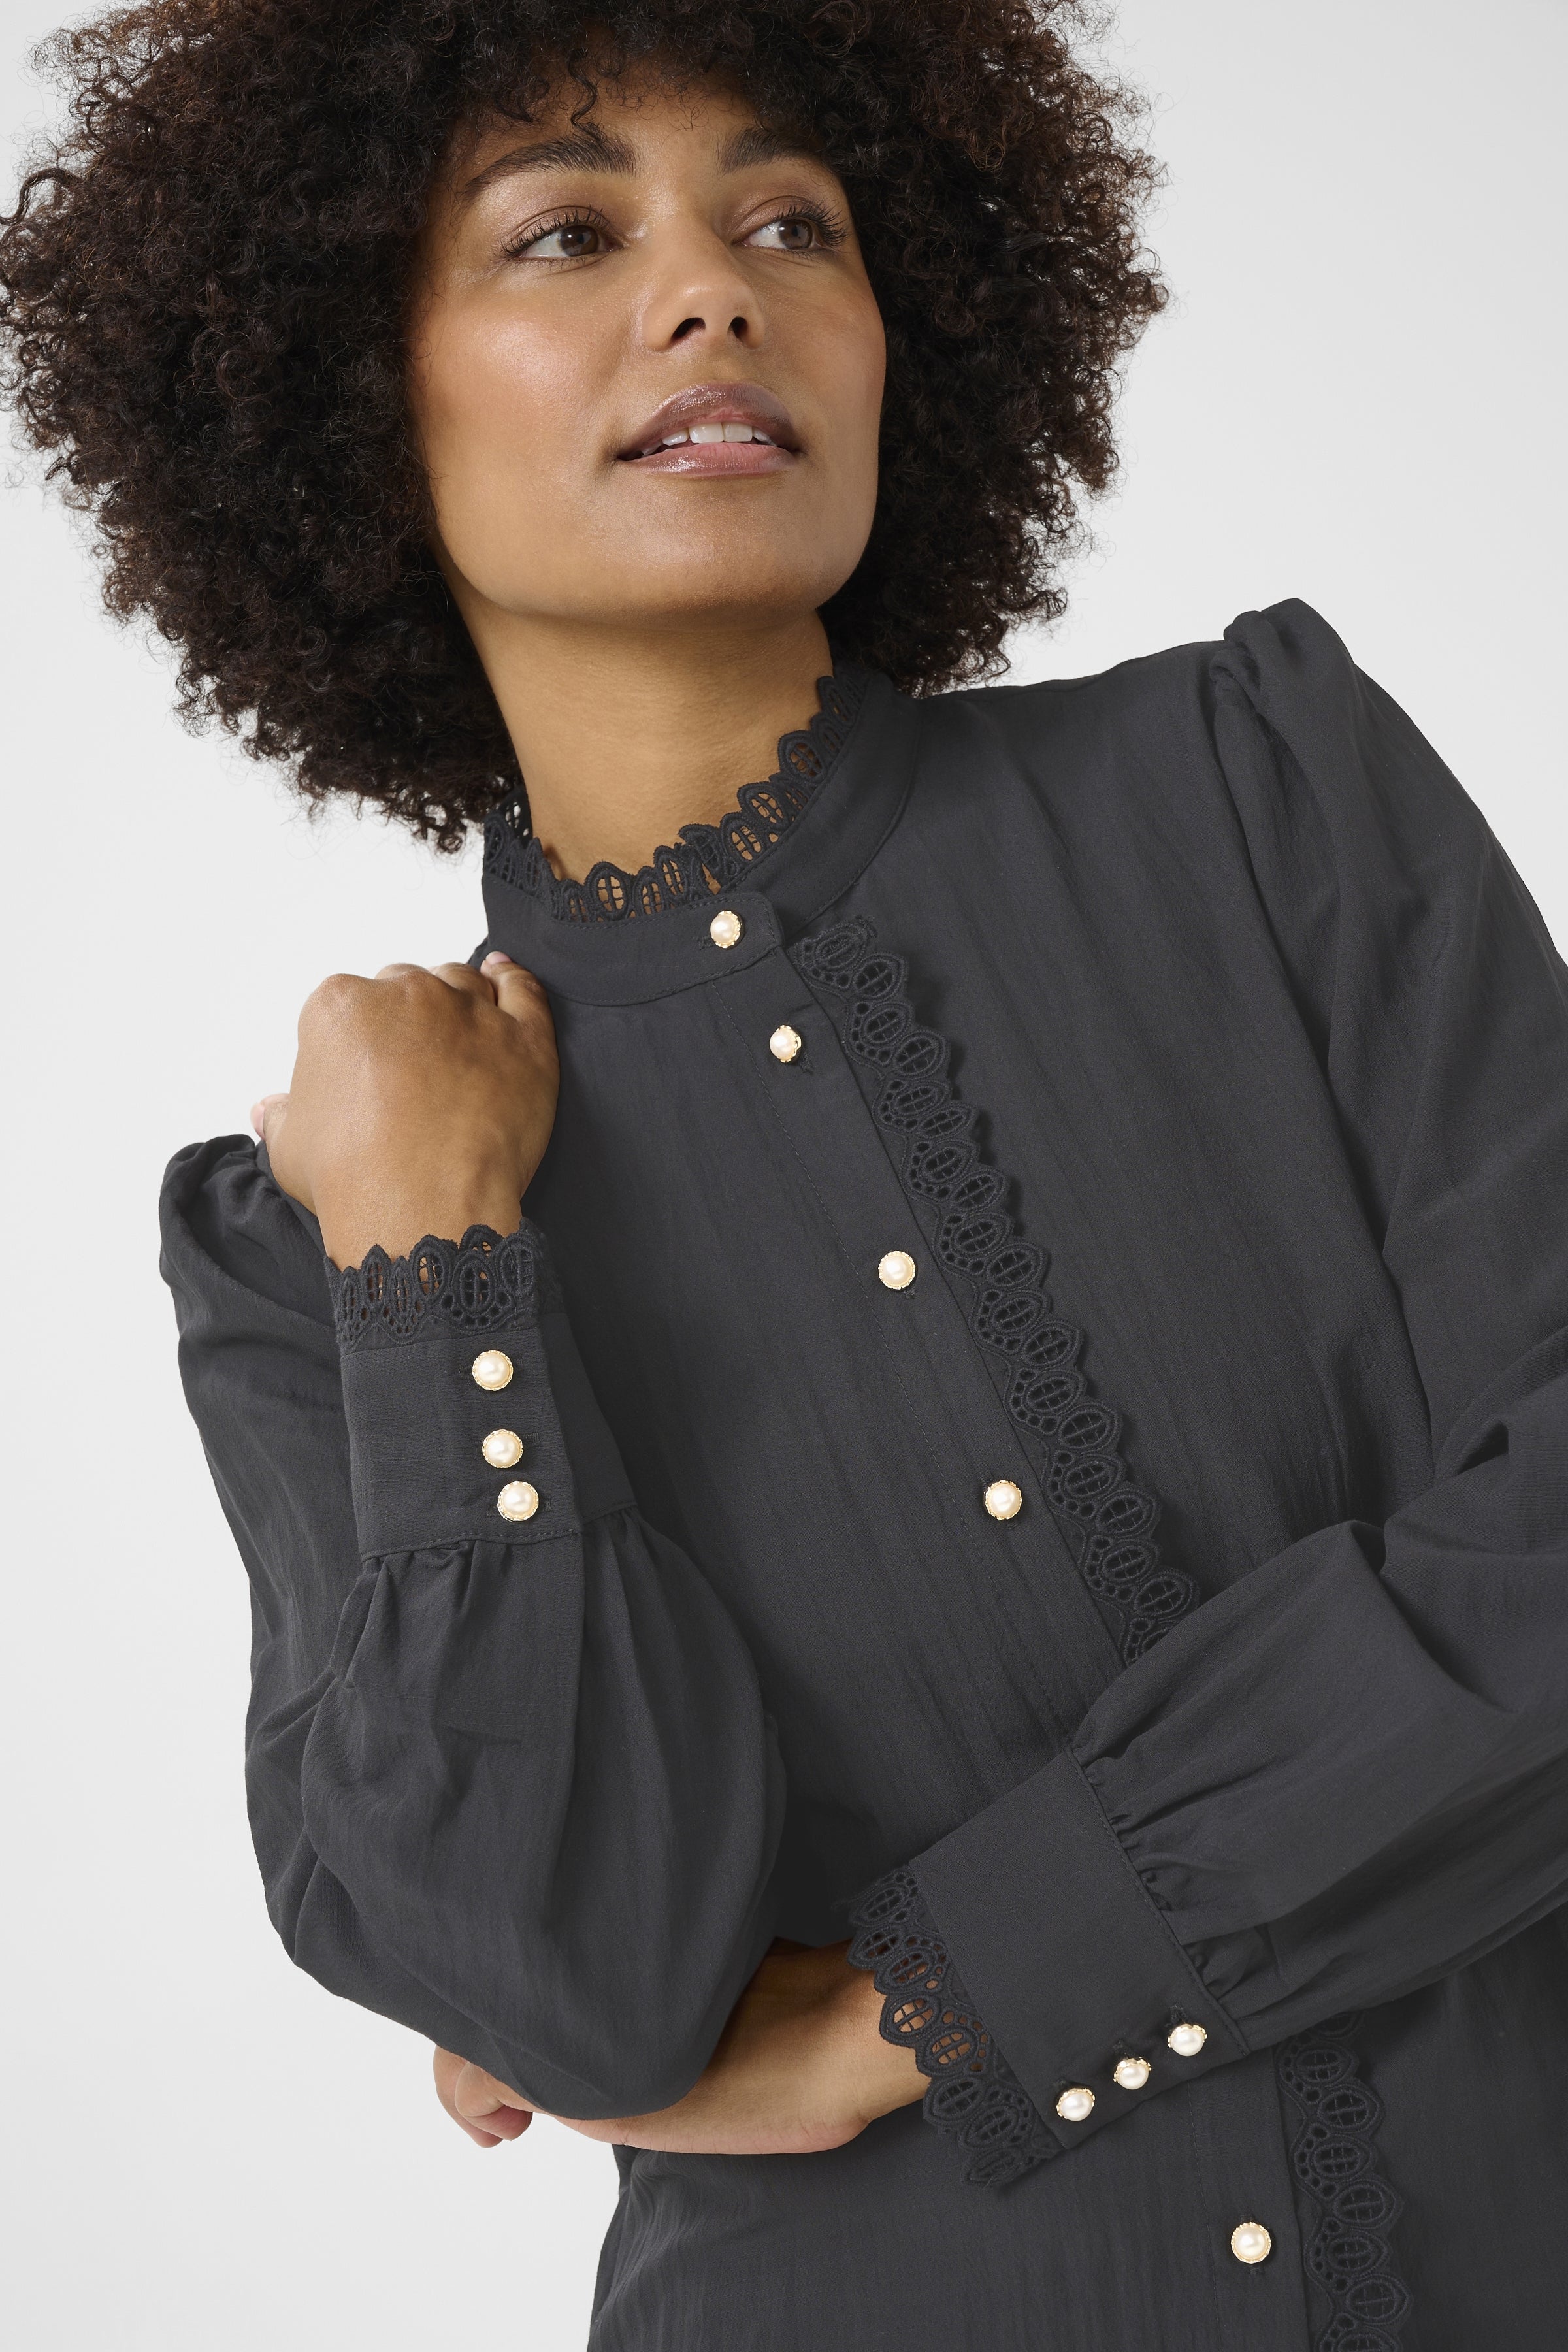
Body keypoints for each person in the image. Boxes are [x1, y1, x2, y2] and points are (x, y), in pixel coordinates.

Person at [5, 2, 1565, 2346]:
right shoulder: (317, 1248)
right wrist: (441, 1267)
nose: (712, 290)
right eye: (565, 232)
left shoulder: (1261, 795)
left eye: (791, 222)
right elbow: (571, 1986)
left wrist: (919, 2006)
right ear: (347, 393)